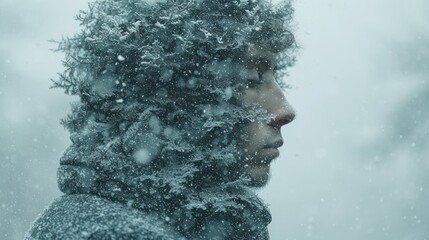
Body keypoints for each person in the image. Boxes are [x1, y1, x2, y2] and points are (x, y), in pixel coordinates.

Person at [25, 0, 296, 239]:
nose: (285, 110)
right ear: (171, 98)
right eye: (251, 80)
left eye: (274, 77)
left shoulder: (186, 222)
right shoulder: (108, 234)